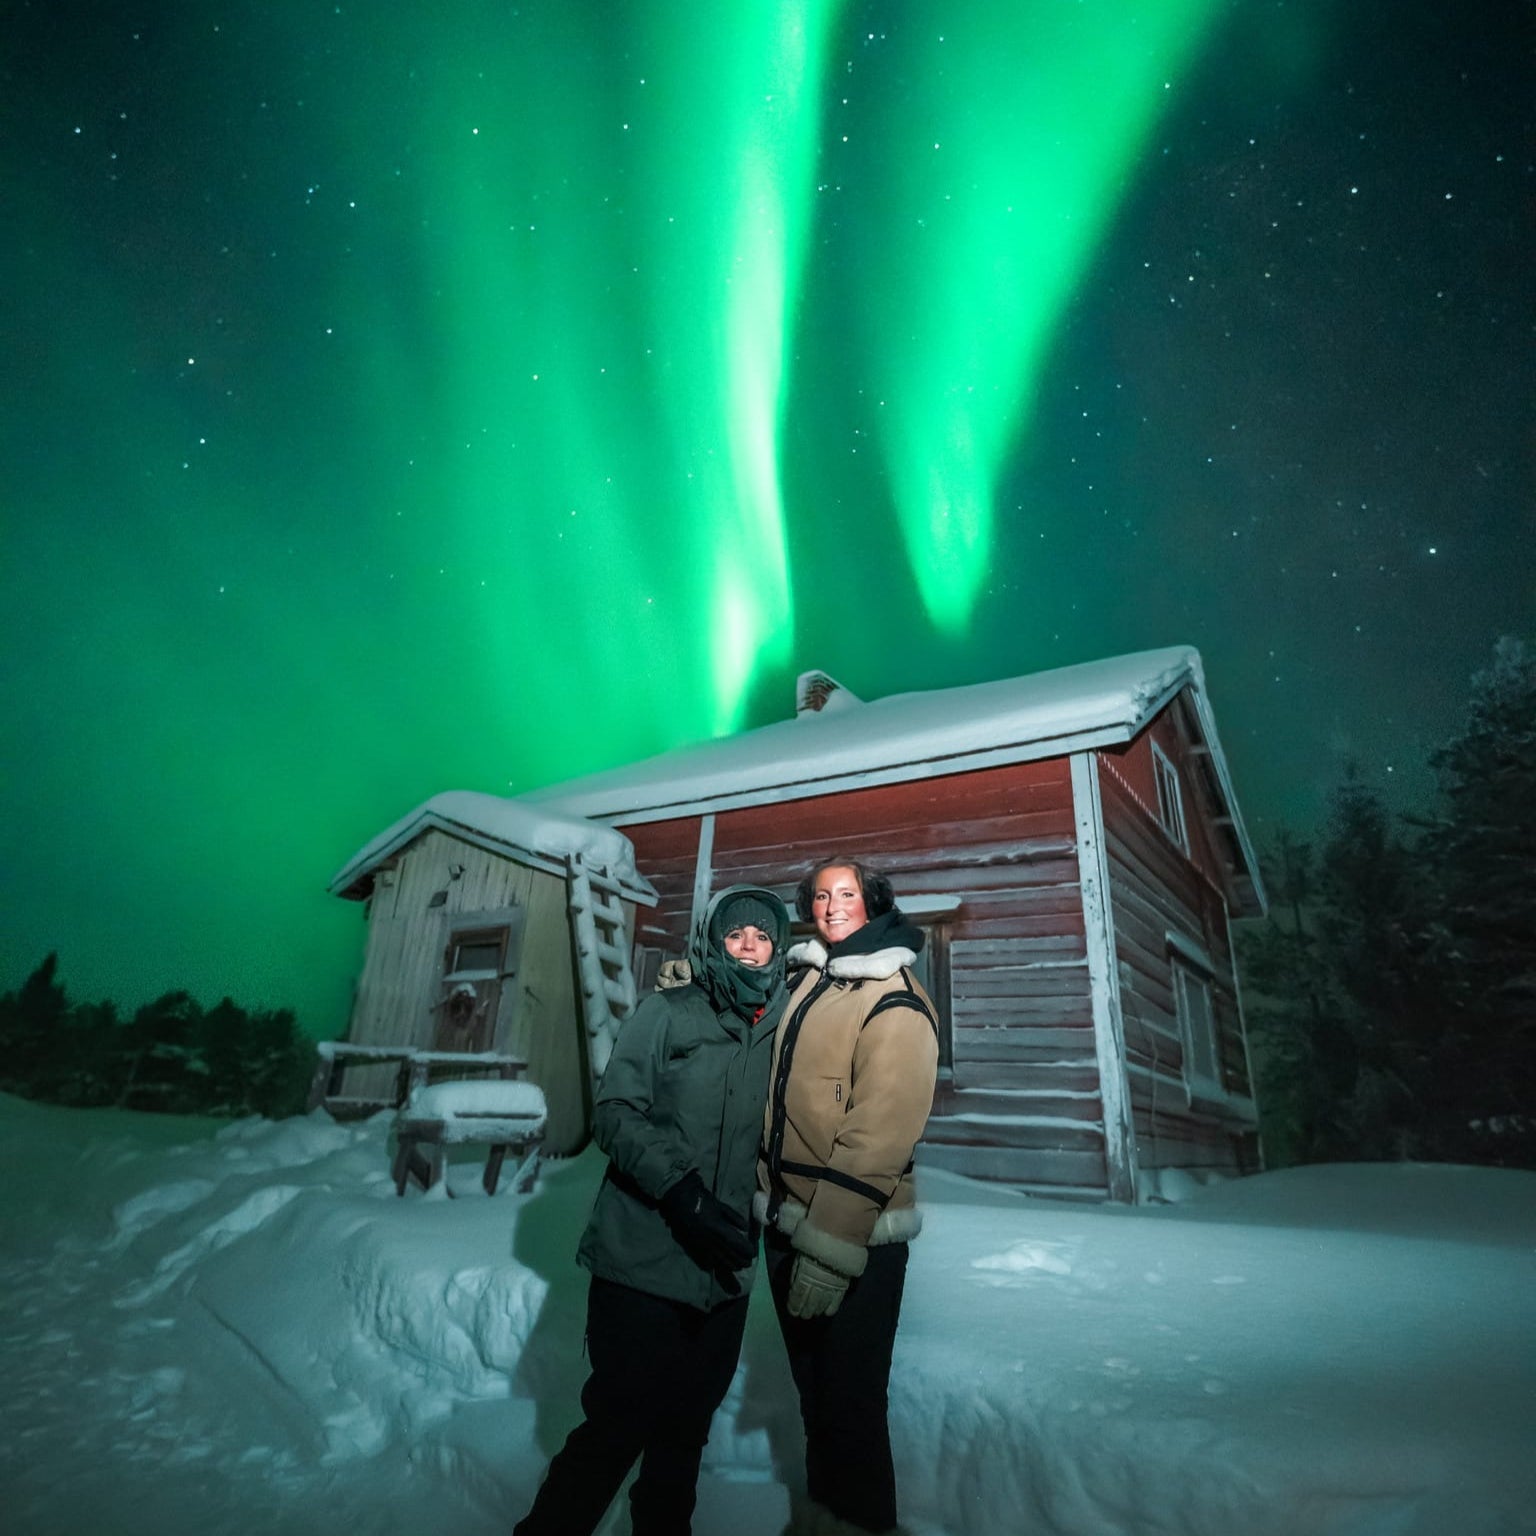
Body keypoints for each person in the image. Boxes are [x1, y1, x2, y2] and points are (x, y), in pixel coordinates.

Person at [513, 885, 791, 1536]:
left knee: (684, 1434)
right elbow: (614, 1112)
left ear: (779, 945)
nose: (749, 946)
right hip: (643, 1255)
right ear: (713, 942)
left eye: (762, 935)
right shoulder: (667, 1012)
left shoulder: (787, 1025)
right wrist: (682, 1192)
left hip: (724, 1268)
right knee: (617, 1427)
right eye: (735, 934)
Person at [756, 860, 940, 1536]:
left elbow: (878, 1138)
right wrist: (694, 983)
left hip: (853, 1240)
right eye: (822, 895)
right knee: (814, 1400)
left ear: (874, 903)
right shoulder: (808, 980)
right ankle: (821, 1521)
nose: (833, 906)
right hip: (783, 1223)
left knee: (851, 1409)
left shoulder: (895, 1000)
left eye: (848, 894)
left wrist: (830, 1252)